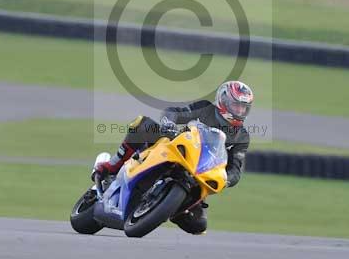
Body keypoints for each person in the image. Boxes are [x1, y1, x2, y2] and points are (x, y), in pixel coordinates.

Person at [95, 80, 254, 234]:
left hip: (199, 173)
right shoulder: (205, 108)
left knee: (199, 225)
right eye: (236, 105)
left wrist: (227, 179)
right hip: (178, 148)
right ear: (223, 101)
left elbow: (235, 169)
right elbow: (174, 112)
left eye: (244, 108)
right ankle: (113, 165)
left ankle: (170, 207)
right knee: (143, 124)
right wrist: (169, 123)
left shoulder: (242, 136)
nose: (240, 111)